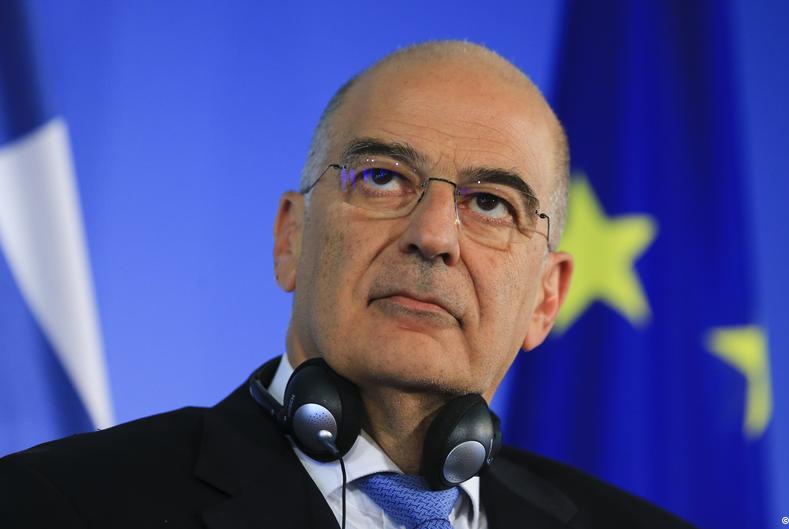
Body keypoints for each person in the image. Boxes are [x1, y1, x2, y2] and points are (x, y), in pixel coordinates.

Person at [0, 40, 694, 528]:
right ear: (290, 238)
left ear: (547, 297)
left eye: (490, 203)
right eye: (383, 178)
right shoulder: (56, 505)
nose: (434, 235)